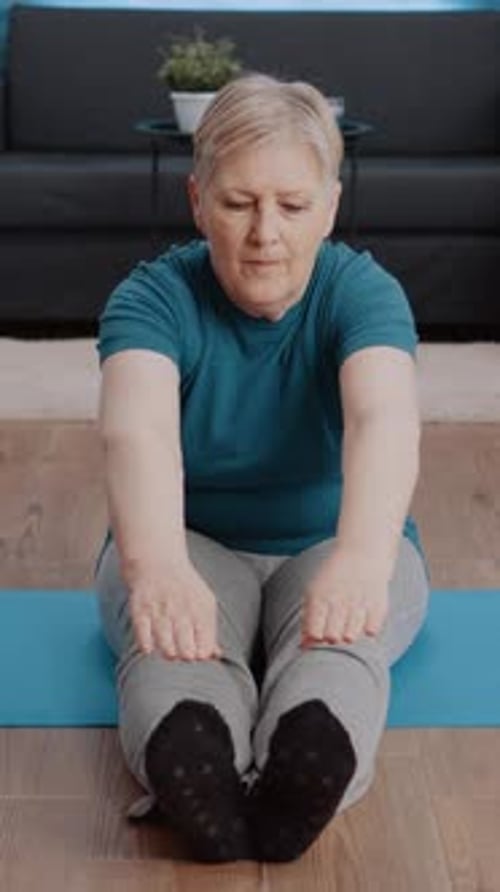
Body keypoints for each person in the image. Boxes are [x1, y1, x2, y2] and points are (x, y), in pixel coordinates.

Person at [94, 73, 430, 863]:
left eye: (292, 204)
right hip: (188, 538)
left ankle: (300, 776)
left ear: (331, 207)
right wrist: (158, 565)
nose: (265, 234)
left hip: (331, 540)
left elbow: (384, 417)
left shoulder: (364, 291)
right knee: (173, 645)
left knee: (337, 646)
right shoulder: (151, 298)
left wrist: (360, 559)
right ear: (197, 201)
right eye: (239, 203)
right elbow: (134, 431)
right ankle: (193, 774)